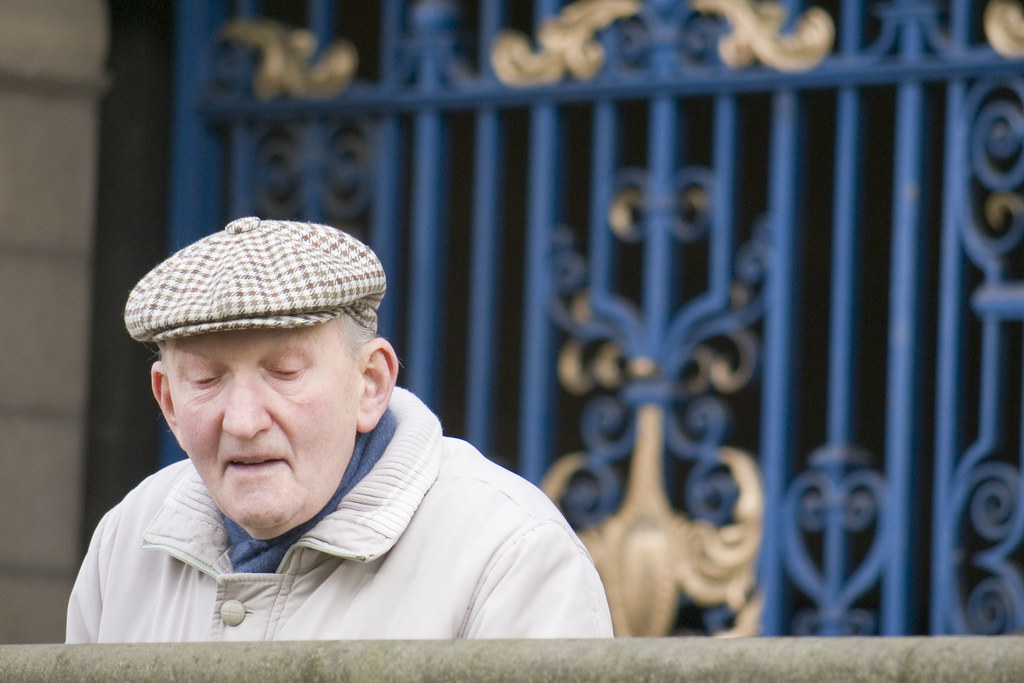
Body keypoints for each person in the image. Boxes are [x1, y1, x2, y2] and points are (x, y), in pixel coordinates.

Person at [67, 216, 613, 642]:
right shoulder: (125, 543)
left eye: (284, 373)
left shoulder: (509, 552)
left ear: (371, 382)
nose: (244, 422)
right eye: (207, 380)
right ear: (167, 400)